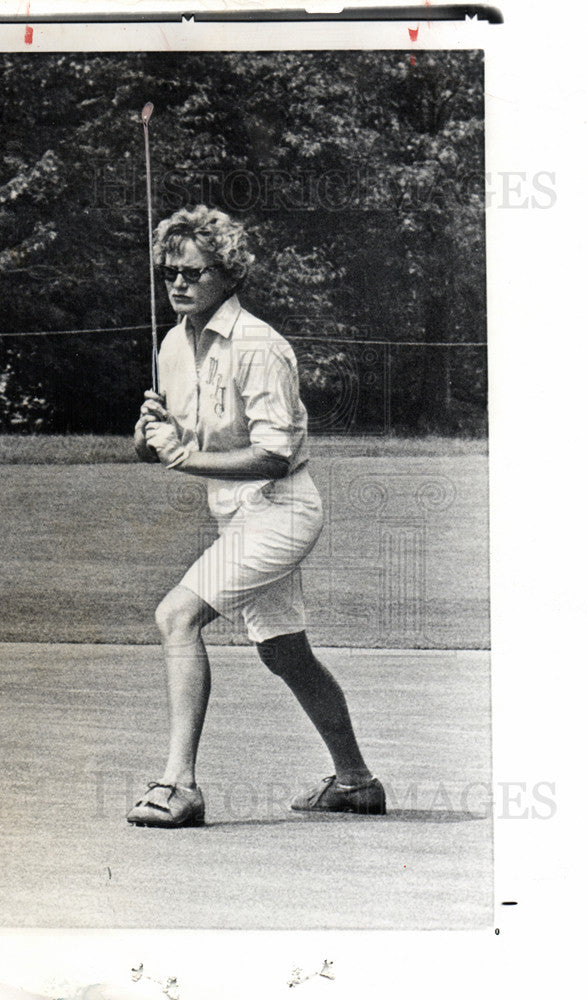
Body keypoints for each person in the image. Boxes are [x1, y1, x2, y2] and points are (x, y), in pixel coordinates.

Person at [127, 205, 385, 827]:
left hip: (282, 509)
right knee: (285, 653)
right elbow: (172, 440)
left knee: (177, 615)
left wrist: (184, 458)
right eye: (169, 273)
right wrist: (149, 437)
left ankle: (179, 784)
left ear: (228, 274)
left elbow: (274, 455)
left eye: (193, 272)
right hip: (235, 514)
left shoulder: (260, 346)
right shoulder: (172, 345)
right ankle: (356, 782)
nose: (178, 284)